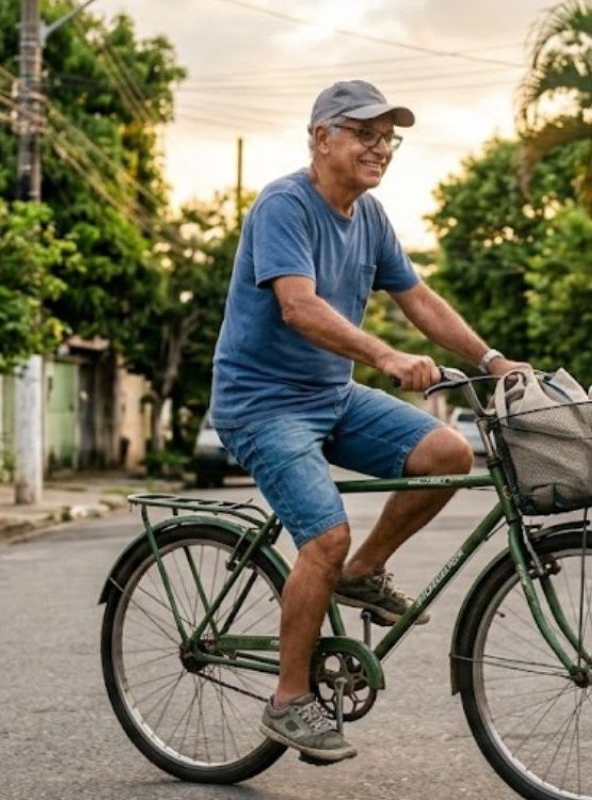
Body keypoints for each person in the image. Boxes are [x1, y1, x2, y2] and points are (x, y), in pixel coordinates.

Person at [208, 79, 526, 763]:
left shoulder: (371, 217)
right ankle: (290, 701)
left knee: (446, 453)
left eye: (389, 137)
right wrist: (384, 354)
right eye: (365, 133)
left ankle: (365, 570)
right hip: (262, 403)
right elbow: (298, 305)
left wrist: (492, 360)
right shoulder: (283, 205)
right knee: (323, 537)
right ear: (322, 137)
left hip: (330, 396)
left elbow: (419, 298)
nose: (380, 148)